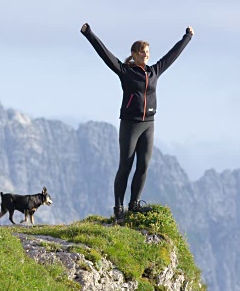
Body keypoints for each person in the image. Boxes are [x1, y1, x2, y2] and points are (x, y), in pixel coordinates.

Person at [80, 23, 194, 224]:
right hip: (130, 124)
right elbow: (105, 54)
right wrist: (89, 33)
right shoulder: (125, 71)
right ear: (134, 54)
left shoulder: (154, 71)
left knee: (143, 165)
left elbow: (172, 56)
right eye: (142, 52)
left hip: (149, 124)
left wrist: (187, 37)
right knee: (125, 166)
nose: (146, 55)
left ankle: (134, 204)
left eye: (148, 52)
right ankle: (119, 208)